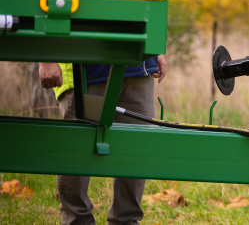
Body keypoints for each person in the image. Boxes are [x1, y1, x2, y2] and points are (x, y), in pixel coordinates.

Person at [39, 56, 166, 225]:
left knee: (138, 150)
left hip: (138, 68)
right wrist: (47, 59)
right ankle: (77, 221)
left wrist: (156, 50)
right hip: (85, 70)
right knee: (77, 153)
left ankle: (125, 220)